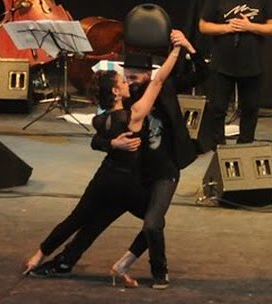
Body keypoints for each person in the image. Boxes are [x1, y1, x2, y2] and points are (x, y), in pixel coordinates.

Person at [26, 15, 203, 289]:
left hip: (150, 172)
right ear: (117, 91)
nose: (129, 83)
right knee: (99, 222)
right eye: (124, 79)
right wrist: (113, 144)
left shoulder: (112, 113)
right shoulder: (132, 108)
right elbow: (99, 138)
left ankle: (144, 269)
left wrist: (188, 48)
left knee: (141, 224)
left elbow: (178, 79)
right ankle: (65, 261)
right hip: (130, 179)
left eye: (132, 78)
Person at [196, 0, 272, 151]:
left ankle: (245, 148)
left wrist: (250, 27)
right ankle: (219, 147)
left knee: (250, 109)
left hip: (252, 64)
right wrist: (227, 28)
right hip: (222, 64)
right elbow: (203, 26)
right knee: (217, 108)